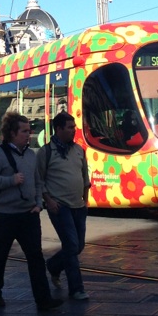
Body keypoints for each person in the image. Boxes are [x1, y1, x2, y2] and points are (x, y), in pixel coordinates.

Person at [0, 111, 63, 312]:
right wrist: (11, 180)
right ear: (12, 133)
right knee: (0, 255)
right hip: (4, 215)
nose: (29, 134)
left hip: (29, 214)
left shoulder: (31, 155)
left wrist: (38, 204)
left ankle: (43, 299)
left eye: (29, 130)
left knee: (35, 257)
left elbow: (37, 181)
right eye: (24, 131)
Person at [37, 112, 91, 301]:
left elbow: (85, 177)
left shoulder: (78, 150)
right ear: (58, 129)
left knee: (78, 246)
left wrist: (86, 201)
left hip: (79, 206)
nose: (74, 130)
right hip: (60, 207)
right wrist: (49, 201)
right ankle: (76, 289)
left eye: (74, 127)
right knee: (71, 245)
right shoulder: (46, 152)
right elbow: (39, 180)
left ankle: (53, 265)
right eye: (70, 127)